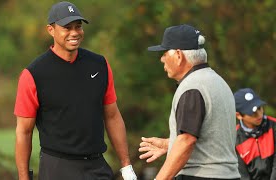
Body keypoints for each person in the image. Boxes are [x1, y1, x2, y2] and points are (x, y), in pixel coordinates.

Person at [14, 1, 137, 180]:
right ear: (51, 30)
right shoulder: (33, 74)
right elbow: (24, 132)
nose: (74, 33)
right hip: (57, 168)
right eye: (67, 27)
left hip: (97, 167)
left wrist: (126, 166)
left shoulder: (99, 65)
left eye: (78, 27)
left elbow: (112, 116)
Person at [138, 24, 241, 180]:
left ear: (179, 55)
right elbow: (209, 138)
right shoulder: (217, 81)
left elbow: (187, 140)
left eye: (165, 53)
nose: (162, 59)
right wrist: (170, 144)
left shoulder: (192, 87)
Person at [234, 88, 276, 180]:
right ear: (239, 115)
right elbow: (243, 176)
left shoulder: (274, 126)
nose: (259, 114)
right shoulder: (234, 140)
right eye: (252, 112)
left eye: (259, 108)